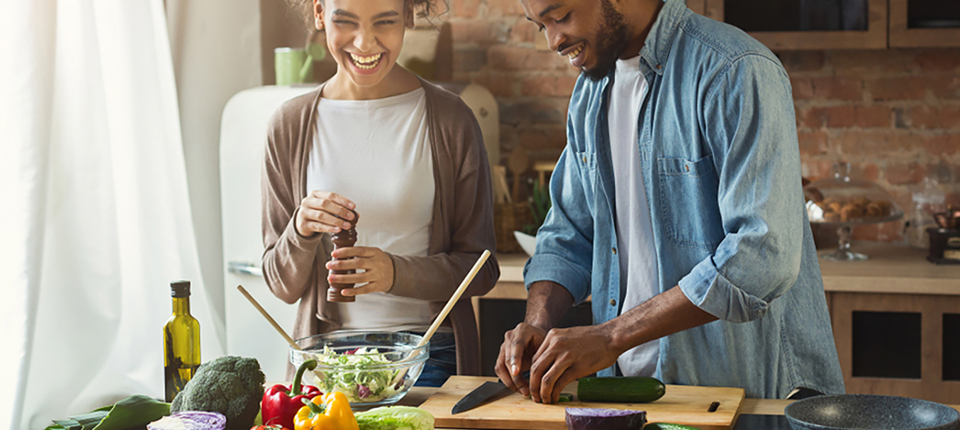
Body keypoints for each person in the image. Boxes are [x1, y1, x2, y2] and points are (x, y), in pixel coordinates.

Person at [495, 0, 844, 402]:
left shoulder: (734, 70)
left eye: (561, 17)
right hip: (627, 392)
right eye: (540, 26)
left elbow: (761, 255)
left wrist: (611, 336)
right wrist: (537, 323)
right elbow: (568, 234)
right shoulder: (589, 94)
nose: (554, 40)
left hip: (743, 396)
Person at [261, 0, 499, 387]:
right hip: (326, 358)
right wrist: (300, 232)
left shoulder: (452, 120)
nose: (365, 43)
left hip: (427, 354)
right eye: (346, 22)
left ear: (408, 16)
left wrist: (394, 273)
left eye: (384, 22)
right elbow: (280, 284)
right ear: (321, 14)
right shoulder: (289, 126)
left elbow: (483, 269)